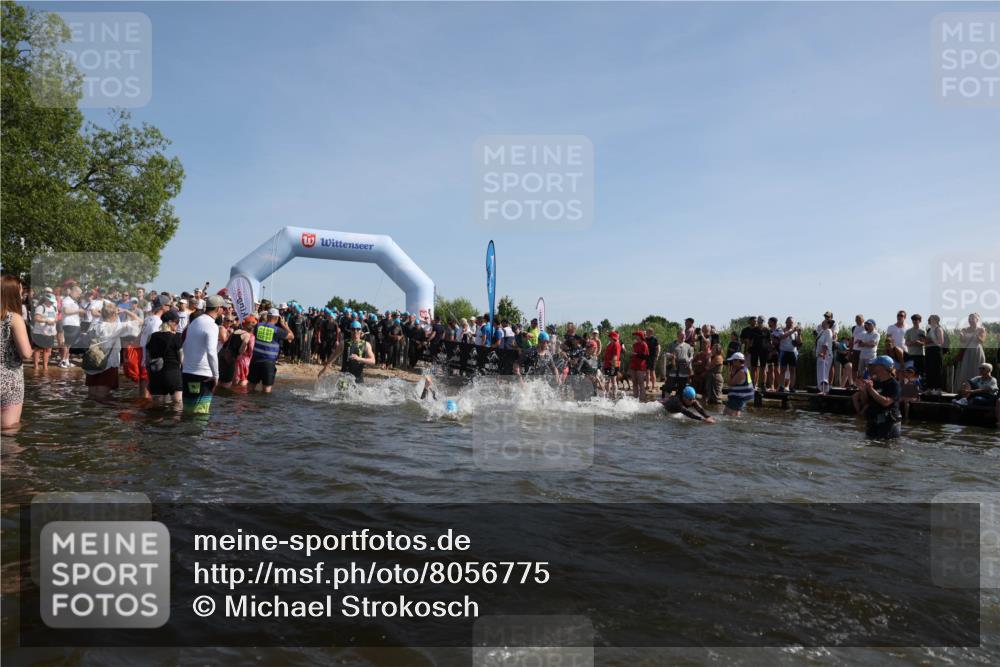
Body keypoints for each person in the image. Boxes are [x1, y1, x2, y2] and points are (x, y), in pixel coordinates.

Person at [83, 302, 143, 400]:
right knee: (102, 397)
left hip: (92, 361)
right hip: (108, 363)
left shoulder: (94, 325)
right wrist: (126, 311)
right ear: (115, 314)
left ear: (102, 313)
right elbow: (140, 321)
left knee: (91, 395)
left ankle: (91, 413)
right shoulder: (116, 327)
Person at [180, 295, 223, 414]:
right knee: (201, 412)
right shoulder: (212, 325)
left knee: (188, 410)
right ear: (218, 309)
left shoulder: (195, 322)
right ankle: (197, 433)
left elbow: (185, 345)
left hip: (187, 372)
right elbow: (211, 352)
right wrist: (216, 375)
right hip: (203, 375)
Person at [1, 275, 34, 429]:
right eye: (20, 291)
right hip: (10, 381)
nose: (22, 295)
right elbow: (26, 353)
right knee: (9, 430)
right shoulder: (14, 318)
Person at [853, 355, 902, 440]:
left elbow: (886, 402)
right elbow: (865, 402)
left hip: (887, 424)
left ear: (882, 367)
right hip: (873, 421)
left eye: (875, 365)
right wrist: (863, 391)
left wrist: (871, 389)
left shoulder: (894, 384)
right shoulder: (875, 382)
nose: (873, 367)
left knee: (884, 446)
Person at [249, 307, 294, 392]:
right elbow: (292, 336)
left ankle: (248, 404)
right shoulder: (277, 330)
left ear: (268, 316)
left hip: (255, 360)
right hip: (268, 362)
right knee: (266, 390)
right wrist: (285, 326)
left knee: (250, 387)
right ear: (277, 318)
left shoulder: (258, 326)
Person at [145, 310, 183, 409]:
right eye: (176, 322)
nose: (177, 325)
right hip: (172, 373)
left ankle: (156, 423)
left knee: (157, 408)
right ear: (170, 322)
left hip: (156, 374)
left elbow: (147, 358)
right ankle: (175, 424)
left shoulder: (152, 336)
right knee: (177, 405)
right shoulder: (177, 337)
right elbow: (181, 359)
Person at [956, 313, 988, 391]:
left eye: (972, 318)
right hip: (967, 352)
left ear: (977, 320)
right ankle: (964, 390)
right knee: (965, 370)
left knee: (976, 370)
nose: (970, 320)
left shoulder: (981, 329)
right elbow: (962, 341)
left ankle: (977, 390)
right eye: (969, 319)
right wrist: (961, 336)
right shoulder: (964, 329)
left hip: (977, 352)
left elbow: (982, 341)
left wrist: (976, 334)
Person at [32, 291, 58, 370]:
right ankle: (36, 366)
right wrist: (46, 321)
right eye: (50, 301)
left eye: (52, 302)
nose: (51, 303)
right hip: (39, 333)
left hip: (50, 332)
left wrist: (54, 321)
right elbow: (36, 318)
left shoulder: (54, 307)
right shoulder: (41, 307)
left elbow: (56, 317)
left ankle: (45, 366)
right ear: (46, 300)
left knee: (47, 350)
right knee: (38, 350)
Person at [58, 284, 82, 368]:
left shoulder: (73, 300)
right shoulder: (67, 300)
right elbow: (66, 311)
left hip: (75, 324)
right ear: (74, 292)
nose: (79, 296)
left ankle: (67, 361)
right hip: (69, 324)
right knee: (67, 343)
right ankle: (62, 361)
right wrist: (78, 310)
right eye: (79, 294)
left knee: (70, 344)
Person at [724, 352, 755, 416]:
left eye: (733, 361)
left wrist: (730, 373)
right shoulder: (743, 369)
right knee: (726, 414)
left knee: (730, 416)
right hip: (738, 397)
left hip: (739, 397)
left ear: (738, 361)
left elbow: (730, 383)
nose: (731, 363)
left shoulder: (741, 372)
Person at [663, 330, 693, 397]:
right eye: (682, 335)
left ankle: (679, 402)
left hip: (684, 370)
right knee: (668, 387)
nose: (683, 337)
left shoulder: (688, 346)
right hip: (673, 369)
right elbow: (667, 354)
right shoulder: (672, 344)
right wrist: (671, 355)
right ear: (678, 336)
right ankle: (666, 401)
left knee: (682, 388)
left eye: (684, 335)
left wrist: (689, 360)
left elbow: (691, 356)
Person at [776, 317, 801, 392]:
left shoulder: (795, 331)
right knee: (782, 369)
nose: (791, 324)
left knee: (792, 370)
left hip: (792, 352)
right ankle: (781, 386)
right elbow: (782, 337)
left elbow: (799, 342)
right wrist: (792, 331)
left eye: (792, 322)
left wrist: (799, 334)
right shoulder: (781, 329)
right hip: (784, 351)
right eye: (789, 322)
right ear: (786, 322)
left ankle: (792, 387)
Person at [924, 314, 946, 394]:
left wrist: (930, 340)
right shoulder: (929, 330)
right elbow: (925, 342)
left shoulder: (938, 329)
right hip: (929, 351)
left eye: (930, 319)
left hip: (936, 351)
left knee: (937, 369)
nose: (928, 321)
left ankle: (938, 389)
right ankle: (929, 388)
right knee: (929, 369)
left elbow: (941, 341)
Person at [903, 314, 927, 378]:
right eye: (913, 320)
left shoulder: (923, 331)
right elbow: (906, 343)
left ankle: (920, 386)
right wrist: (913, 342)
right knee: (911, 372)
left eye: (916, 320)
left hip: (921, 354)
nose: (915, 321)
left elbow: (925, 343)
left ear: (920, 321)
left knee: (921, 372)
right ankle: (911, 386)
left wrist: (919, 342)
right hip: (911, 354)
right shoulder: (908, 331)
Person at [815, 318, 835, 395]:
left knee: (824, 373)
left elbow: (826, 343)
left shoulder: (828, 331)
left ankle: (825, 391)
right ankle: (821, 389)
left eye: (824, 322)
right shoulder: (822, 331)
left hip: (825, 355)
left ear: (828, 324)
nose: (822, 323)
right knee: (820, 373)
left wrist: (823, 353)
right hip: (820, 355)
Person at [629, 330, 649, 400]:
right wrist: (632, 355)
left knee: (641, 383)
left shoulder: (644, 344)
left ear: (640, 336)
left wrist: (636, 354)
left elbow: (646, 356)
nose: (635, 336)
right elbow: (633, 354)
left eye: (636, 335)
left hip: (641, 366)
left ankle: (642, 399)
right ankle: (635, 399)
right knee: (634, 383)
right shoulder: (634, 344)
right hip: (633, 365)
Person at [602, 330, 622, 397]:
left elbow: (615, 356)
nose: (609, 337)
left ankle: (614, 395)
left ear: (613, 337)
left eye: (610, 336)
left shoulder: (616, 344)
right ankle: (607, 394)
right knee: (607, 380)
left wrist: (612, 366)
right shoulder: (610, 344)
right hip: (607, 364)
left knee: (613, 380)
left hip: (613, 364)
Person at [644, 328, 659, 393]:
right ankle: (647, 385)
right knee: (647, 371)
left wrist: (657, 355)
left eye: (647, 331)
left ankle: (653, 386)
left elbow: (658, 347)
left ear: (651, 332)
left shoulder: (654, 339)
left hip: (653, 357)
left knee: (652, 371)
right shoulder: (645, 339)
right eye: (646, 332)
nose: (646, 332)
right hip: (646, 357)